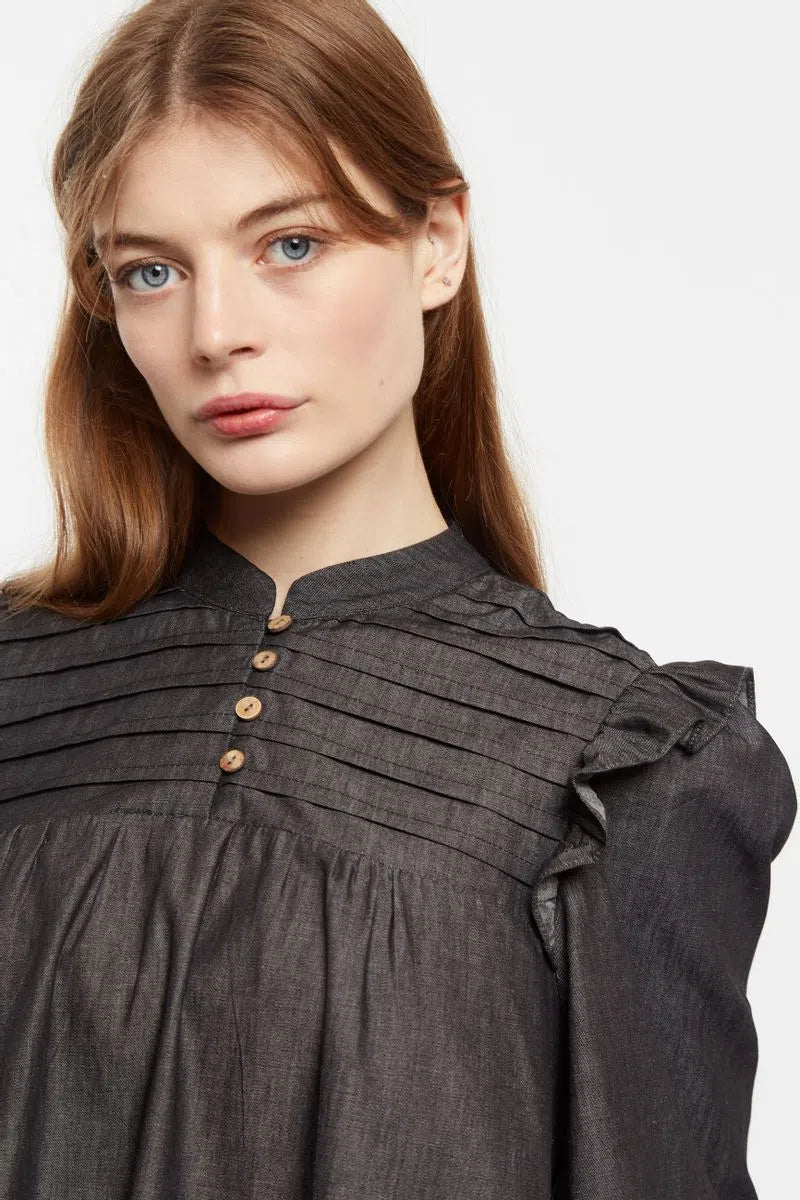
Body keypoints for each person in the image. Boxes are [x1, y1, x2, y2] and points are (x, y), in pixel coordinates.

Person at [0, 1, 795, 1197]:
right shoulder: (17, 693)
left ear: (436, 244)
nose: (217, 333)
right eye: (151, 271)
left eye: (290, 245)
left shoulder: (616, 768)